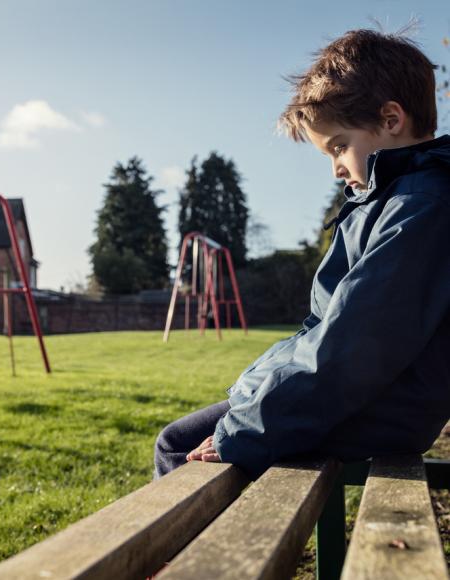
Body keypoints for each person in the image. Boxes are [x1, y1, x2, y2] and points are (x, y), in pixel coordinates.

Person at [154, 28, 450, 480]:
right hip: (369, 401)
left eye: (339, 146)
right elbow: (328, 330)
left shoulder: (420, 205)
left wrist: (246, 429)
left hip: (380, 408)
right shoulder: (391, 200)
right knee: (198, 430)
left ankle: (213, 555)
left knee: (179, 447)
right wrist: (255, 388)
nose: (335, 168)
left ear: (391, 119)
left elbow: (356, 344)